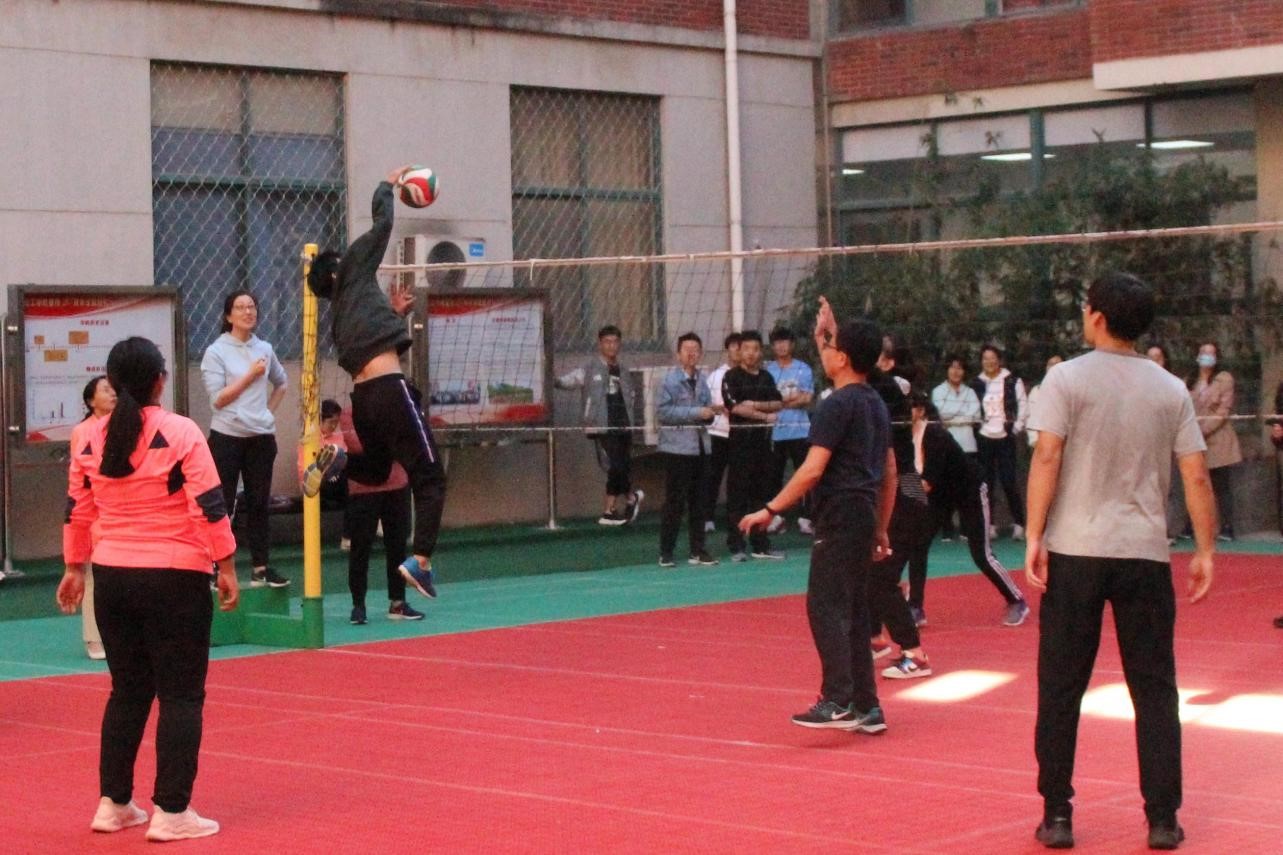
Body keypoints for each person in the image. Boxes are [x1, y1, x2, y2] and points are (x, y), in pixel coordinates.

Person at [1025, 272, 1215, 851]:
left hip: (1076, 550)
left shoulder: (1065, 378)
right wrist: (1205, 549)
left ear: (1098, 317)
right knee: (1155, 689)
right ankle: (1163, 818)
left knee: (1061, 686)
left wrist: (1034, 533)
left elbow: (1047, 456)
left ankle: (1058, 814)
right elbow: (1195, 473)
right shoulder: (1170, 388)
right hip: (1144, 553)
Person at [58, 336, 239, 842]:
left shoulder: (87, 438)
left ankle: (113, 804)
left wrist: (74, 567)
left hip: (112, 579)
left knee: (128, 691)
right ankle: (172, 811)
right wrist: (226, 565)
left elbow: (78, 508)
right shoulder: (180, 431)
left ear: (112, 384)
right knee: (181, 695)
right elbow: (210, 503)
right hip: (175, 577)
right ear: (161, 380)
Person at [740, 298, 894, 731]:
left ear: (841, 358)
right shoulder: (875, 403)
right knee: (855, 611)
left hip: (839, 516)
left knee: (824, 606)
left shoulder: (836, 405)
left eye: (829, 347)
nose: (822, 351)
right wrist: (881, 527)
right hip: (863, 514)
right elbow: (890, 472)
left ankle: (837, 699)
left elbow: (811, 470)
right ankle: (867, 706)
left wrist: (770, 509)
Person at [308, 165, 447, 601]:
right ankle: (420, 560)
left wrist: (394, 314)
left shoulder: (339, 317)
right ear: (338, 269)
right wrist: (388, 184)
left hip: (364, 398)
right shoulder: (352, 268)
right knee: (430, 477)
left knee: (377, 469)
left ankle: (339, 461)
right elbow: (382, 225)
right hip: (388, 390)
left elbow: (371, 342)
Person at [911, 394, 1029, 628]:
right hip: (941, 494)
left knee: (981, 554)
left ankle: (1016, 600)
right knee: (918, 544)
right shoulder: (904, 437)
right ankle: (915, 607)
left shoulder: (935, 434)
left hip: (970, 491)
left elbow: (925, 483)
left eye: (907, 408)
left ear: (921, 411)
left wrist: (893, 487)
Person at [201, 289, 290, 589]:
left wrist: (266, 413)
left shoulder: (264, 348)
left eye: (251, 306)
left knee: (259, 502)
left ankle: (261, 568)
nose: (248, 312)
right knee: (222, 503)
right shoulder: (216, 351)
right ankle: (215, 567)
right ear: (228, 316)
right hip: (227, 436)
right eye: (240, 307)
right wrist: (250, 376)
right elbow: (218, 400)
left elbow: (281, 383)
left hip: (260, 438)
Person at [867, 341, 935, 678]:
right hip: (901, 489)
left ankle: (915, 653)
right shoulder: (880, 390)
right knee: (869, 571)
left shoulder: (886, 391)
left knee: (881, 576)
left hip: (904, 489)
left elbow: (892, 468)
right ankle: (874, 638)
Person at [336, 407, 421, 623]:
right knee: (360, 548)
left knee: (397, 546)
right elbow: (356, 444)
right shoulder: (349, 413)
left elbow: (405, 441)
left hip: (397, 486)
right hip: (363, 488)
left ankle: (398, 603)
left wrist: (381, 445)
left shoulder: (396, 408)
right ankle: (358, 605)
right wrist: (386, 443)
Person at [555, 324, 644, 526]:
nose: (611, 346)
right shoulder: (589, 369)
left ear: (619, 344)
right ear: (600, 344)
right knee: (613, 465)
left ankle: (629, 500)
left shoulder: (624, 370)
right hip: (602, 425)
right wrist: (551, 380)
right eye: (607, 342)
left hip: (624, 424)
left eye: (615, 342)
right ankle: (611, 509)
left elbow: (631, 395)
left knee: (621, 465)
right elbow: (568, 381)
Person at [656, 332, 719, 567]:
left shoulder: (702, 380)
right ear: (678, 354)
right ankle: (666, 552)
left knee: (699, 502)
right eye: (687, 349)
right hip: (677, 449)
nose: (692, 354)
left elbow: (706, 410)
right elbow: (663, 412)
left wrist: (711, 413)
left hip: (701, 447)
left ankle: (698, 550)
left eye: (695, 350)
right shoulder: (669, 380)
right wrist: (696, 412)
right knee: (675, 502)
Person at [722, 330, 784, 561]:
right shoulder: (731, 377)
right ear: (739, 351)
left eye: (755, 349)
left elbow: (778, 403)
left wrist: (755, 404)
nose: (751, 353)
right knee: (738, 497)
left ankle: (761, 544)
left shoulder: (766, 377)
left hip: (763, 445)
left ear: (760, 352)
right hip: (740, 445)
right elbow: (736, 407)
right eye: (746, 348)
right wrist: (765, 416)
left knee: (762, 496)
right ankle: (737, 545)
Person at [70, 375, 116, 660]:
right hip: (93, 512)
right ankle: (93, 637)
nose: (112, 394)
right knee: (92, 576)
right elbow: (84, 476)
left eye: (114, 389)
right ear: (91, 401)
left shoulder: (122, 426)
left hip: (119, 512)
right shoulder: (83, 431)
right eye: (105, 390)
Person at [971, 344, 1028, 540]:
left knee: (1009, 481)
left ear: (999, 360)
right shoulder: (977, 383)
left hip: (1005, 438)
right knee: (986, 483)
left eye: (992, 358)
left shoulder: (1012, 380)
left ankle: (1019, 524)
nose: (989, 362)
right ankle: (990, 525)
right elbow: (972, 408)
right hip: (984, 438)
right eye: (985, 358)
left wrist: (1016, 427)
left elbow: (1023, 405)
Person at [765, 326, 815, 535]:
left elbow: (807, 398)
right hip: (776, 432)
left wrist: (781, 402)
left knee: (805, 474)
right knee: (773, 476)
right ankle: (777, 517)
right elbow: (768, 402)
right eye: (777, 342)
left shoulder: (803, 369)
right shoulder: (768, 371)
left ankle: (806, 517)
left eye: (785, 341)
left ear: (792, 345)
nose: (781, 346)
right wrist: (791, 399)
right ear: (773, 346)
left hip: (800, 431)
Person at [1189, 341, 1241, 541]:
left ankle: (1227, 526)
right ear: (1197, 356)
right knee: (1197, 484)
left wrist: (1203, 429)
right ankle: (1196, 526)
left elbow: (1223, 410)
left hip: (1218, 439)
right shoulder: (1190, 380)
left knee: (1221, 486)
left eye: (1211, 353)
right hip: (1194, 440)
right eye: (1203, 352)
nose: (1207, 356)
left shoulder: (1224, 379)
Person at [930, 354, 982, 541]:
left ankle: (966, 529)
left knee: (967, 489)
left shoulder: (970, 392)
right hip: (946, 446)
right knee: (945, 488)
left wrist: (953, 417)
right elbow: (940, 415)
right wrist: (960, 414)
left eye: (959, 368)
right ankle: (947, 530)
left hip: (968, 445)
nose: (956, 371)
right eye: (952, 367)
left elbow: (975, 416)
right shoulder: (938, 391)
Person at [296, 399, 350, 548]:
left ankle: (348, 536)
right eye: (331, 422)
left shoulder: (340, 437)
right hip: (317, 484)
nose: (334, 426)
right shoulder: (309, 440)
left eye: (336, 422)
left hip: (339, 481)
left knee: (351, 483)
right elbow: (303, 470)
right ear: (321, 419)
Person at [703, 332, 742, 532]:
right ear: (728, 350)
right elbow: (712, 405)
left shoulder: (749, 375)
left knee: (737, 479)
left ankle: (735, 517)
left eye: (741, 346)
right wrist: (727, 409)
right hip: (718, 433)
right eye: (734, 346)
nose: (738, 350)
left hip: (740, 434)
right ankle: (707, 517)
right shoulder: (716, 375)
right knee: (713, 477)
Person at [1025, 355, 1063, 450]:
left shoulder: (1071, 391)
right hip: (1041, 443)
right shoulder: (1037, 391)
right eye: (1051, 364)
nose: (1054, 367)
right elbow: (1030, 416)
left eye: (1058, 364)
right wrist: (1034, 440)